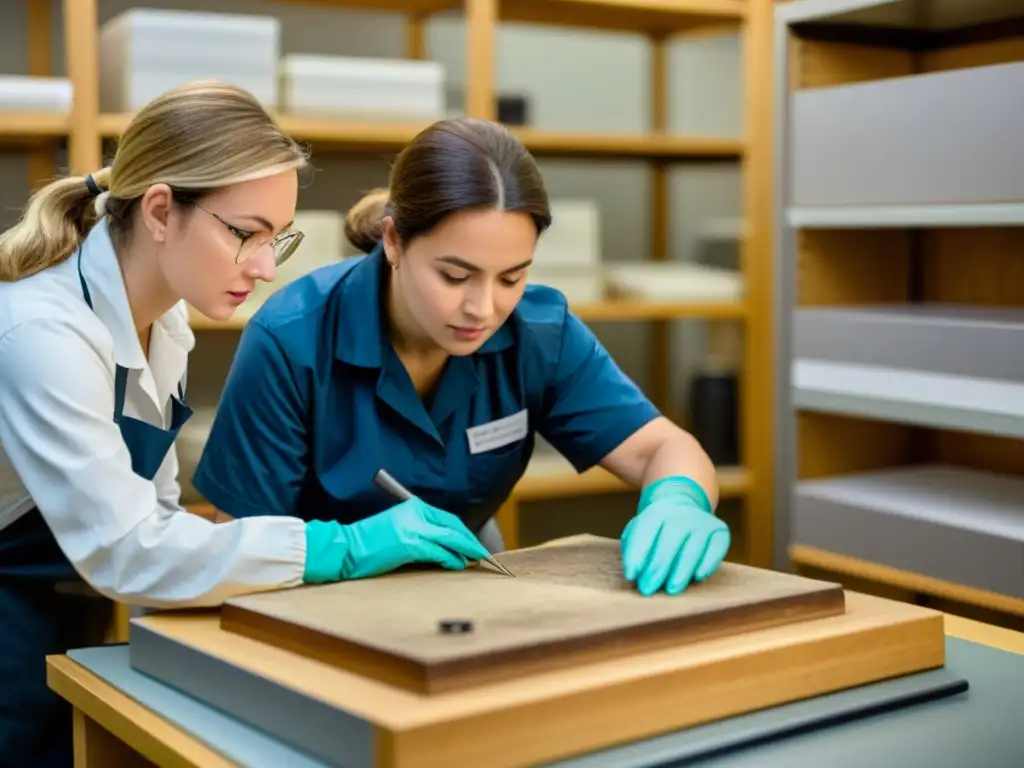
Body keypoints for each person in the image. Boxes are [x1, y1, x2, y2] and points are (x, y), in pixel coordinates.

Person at [0, 81, 491, 767]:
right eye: (245, 235)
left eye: (276, 239)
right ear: (162, 210)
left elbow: (158, 516)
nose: (263, 269)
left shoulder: (163, 322)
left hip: (61, 597)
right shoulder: (42, 335)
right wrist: (336, 549)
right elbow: (128, 551)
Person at [193, 117, 731, 599]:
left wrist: (678, 500)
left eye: (512, 277)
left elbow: (662, 447)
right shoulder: (293, 337)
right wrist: (350, 545)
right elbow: (235, 543)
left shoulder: (540, 333)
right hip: (305, 597)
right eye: (454, 276)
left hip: (459, 586)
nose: (484, 307)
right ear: (394, 241)